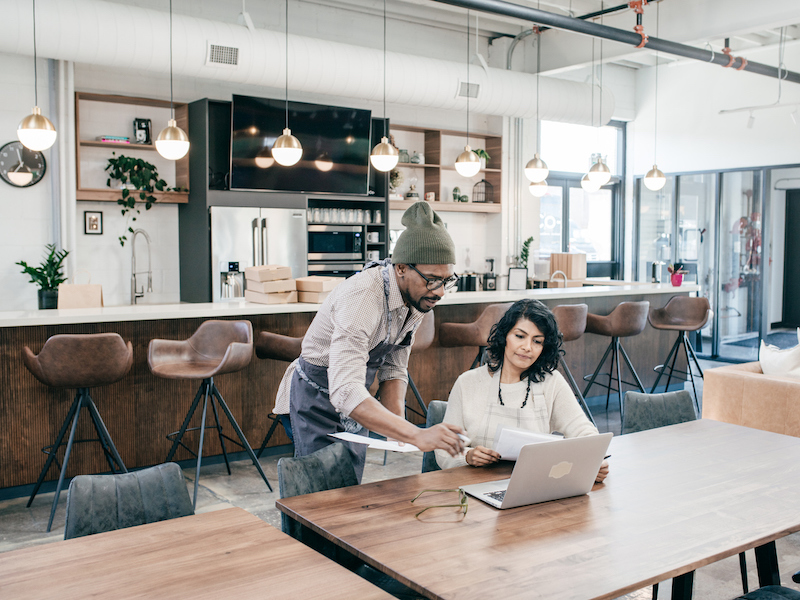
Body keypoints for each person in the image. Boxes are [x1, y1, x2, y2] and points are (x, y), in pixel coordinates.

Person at [275, 201, 465, 481]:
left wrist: (396, 424)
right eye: (432, 280)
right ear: (401, 268)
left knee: (349, 486)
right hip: (315, 400)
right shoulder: (363, 298)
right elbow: (345, 391)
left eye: (447, 281)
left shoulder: (418, 297)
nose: (440, 292)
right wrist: (415, 434)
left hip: (355, 401)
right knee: (320, 493)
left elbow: (394, 367)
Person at [435, 299, 609, 483]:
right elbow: (444, 451)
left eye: (537, 341)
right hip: (476, 487)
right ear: (504, 337)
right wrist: (468, 456)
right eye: (520, 336)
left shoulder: (552, 382)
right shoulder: (467, 383)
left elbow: (583, 431)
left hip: (536, 485)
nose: (527, 347)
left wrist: (593, 460)